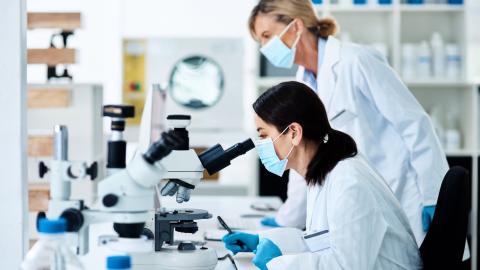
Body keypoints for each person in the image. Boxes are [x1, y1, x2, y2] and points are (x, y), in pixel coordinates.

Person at [249, 0, 449, 244]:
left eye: (267, 36)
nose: (264, 47)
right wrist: (288, 219)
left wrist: (434, 192)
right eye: (260, 40)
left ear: (295, 26)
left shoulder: (356, 60)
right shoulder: (302, 84)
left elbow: (414, 122)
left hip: (403, 193)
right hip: (357, 201)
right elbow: (301, 153)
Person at [223, 81, 421, 270]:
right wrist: (263, 240)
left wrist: (277, 264)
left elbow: (347, 266)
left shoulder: (348, 182)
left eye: (263, 135)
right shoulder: (325, 172)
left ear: (293, 133)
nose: (260, 144)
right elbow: (320, 241)